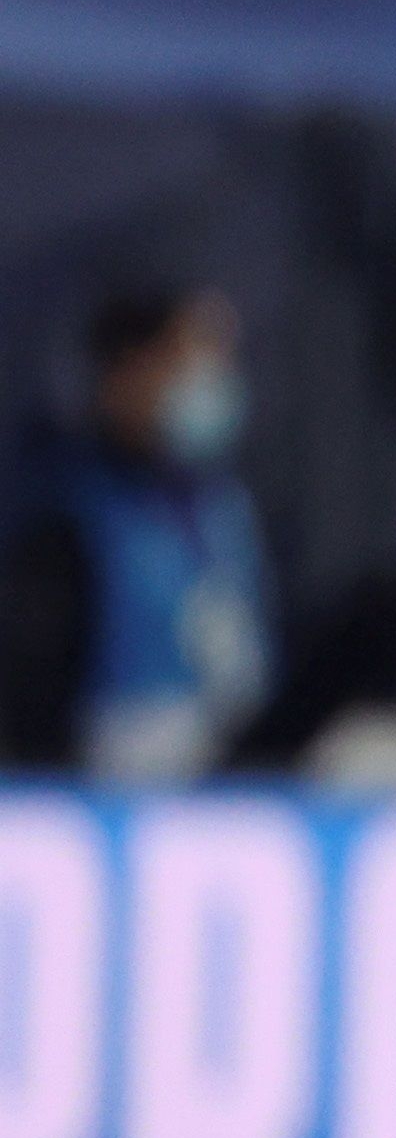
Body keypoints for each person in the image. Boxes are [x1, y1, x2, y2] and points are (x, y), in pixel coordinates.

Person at [0, 281, 276, 780]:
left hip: (232, 784)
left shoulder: (225, 507)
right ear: (129, 368)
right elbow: (35, 698)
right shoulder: (67, 513)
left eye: (222, 357)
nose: (212, 379)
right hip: (109, 797)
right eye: (191, 357)